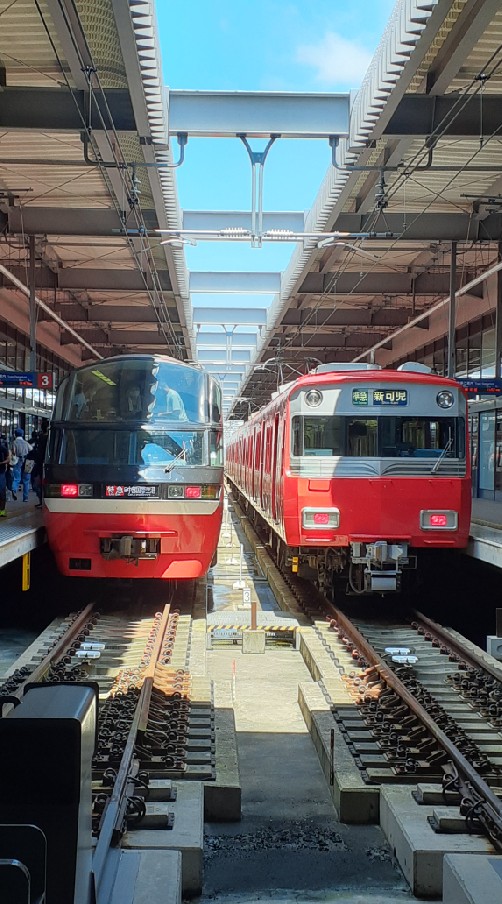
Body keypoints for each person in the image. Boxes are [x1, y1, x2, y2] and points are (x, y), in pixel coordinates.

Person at [10, 427, 33, 502]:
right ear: (22, 434)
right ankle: (25, 498)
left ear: (15, 435)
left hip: (18, 460)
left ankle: (14, 489)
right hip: (26, 461)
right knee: (26, 480)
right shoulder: (25, 442)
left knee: (17, 477)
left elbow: (13, 452)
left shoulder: (14, 442)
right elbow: (31, 449)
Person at [32, 420, 49, 508]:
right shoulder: (50, 437)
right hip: (46, 463)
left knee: (37, 483)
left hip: (39, 463)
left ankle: (41, 501)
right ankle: (44, 501)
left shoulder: (41, 437)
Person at [0, 433, 9, 517]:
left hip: (1, 472)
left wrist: (2, 462)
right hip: (2, 472)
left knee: (2, 491)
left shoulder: (2, 448)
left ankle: (2, 511)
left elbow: (8, 458)